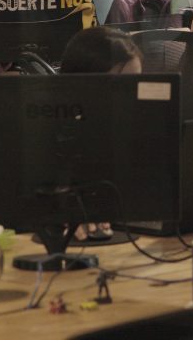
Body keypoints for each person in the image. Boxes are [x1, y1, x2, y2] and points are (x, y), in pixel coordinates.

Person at [59, 26, 144, 240]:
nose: (131, 94)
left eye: (136, 82)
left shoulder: (142, 131)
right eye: (120, 84)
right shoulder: (54, 139)